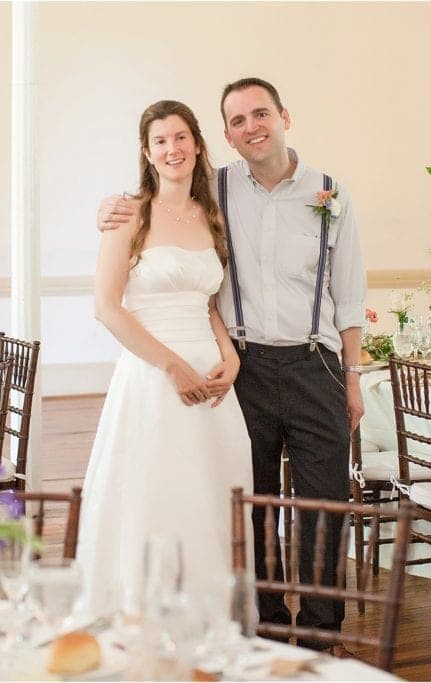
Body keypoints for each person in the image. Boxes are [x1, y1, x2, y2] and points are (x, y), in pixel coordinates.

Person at [98, 78, 366, 651]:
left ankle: (321, 631)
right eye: (238, 120)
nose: (252, 127)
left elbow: (349, 295)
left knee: (326, 501)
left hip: (313, 364)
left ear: (283, 115)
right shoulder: (215, 191)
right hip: (243, 368)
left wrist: (354, 374)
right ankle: (264, 621)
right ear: (224, 135)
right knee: (251, 502)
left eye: (260, 114)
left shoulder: (330, 194)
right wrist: (110, 208)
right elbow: (148, 220)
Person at [77, 100, 253, 617]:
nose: (172, 149)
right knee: (156, 494)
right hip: (153, 375)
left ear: (198, 144)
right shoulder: (127, 214)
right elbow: (108, 308)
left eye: (181, 137)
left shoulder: (209, 215)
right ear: (147, 152)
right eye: (160, 141)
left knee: (210, 496)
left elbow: (208, 302)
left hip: (214, 382)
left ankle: (207, 617)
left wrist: (230, 358)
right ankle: (144, 615)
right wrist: (174, 367)